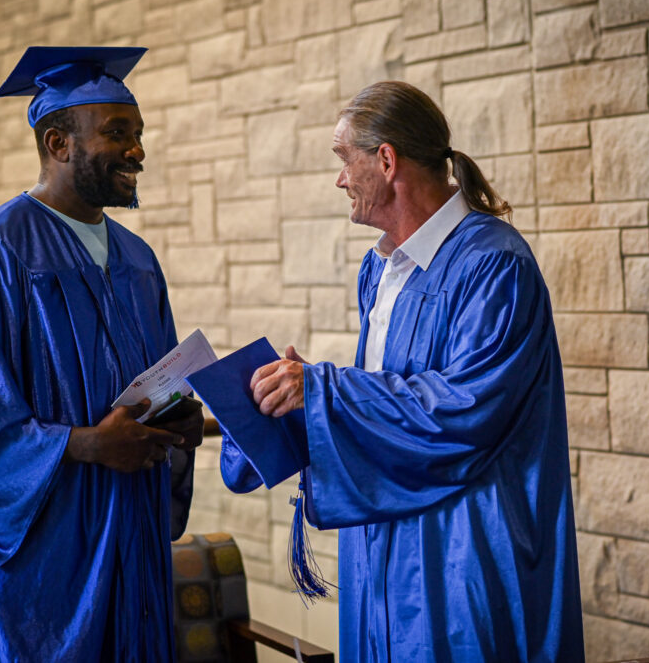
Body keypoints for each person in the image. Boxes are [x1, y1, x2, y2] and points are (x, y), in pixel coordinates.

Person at [222, 81, 585, 661]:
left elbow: (463, 410)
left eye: (345, 159)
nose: (340, 178)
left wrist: (320, 390)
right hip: (386, 541)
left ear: (386, 160)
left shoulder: (493, 266)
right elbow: (390, 400)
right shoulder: (384, 268)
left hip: (461, 550)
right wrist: (294, 394)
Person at [0, 46, 203, 661]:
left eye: (138, 134)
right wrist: (88, 444)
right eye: (117, 133)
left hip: (128, 537)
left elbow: (156, 386)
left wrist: (178, 421)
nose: (138, 151)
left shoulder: (138, 261)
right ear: (58, 144)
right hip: (41, 566)